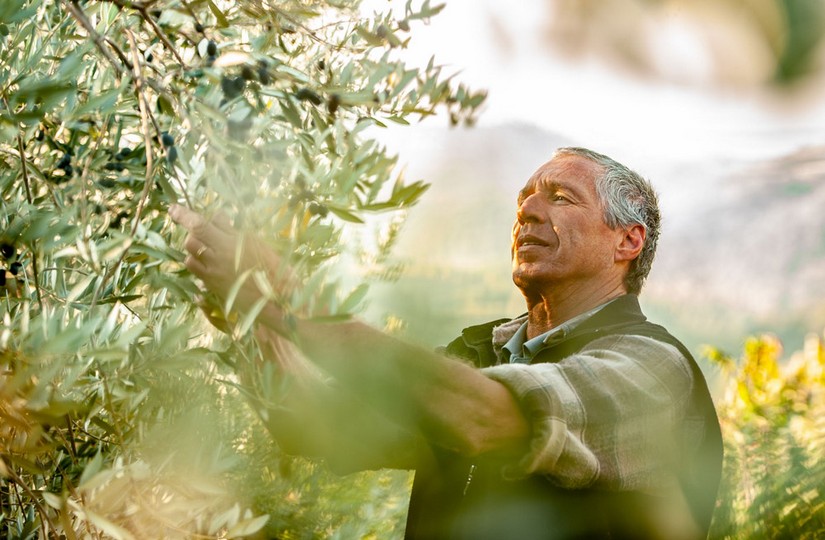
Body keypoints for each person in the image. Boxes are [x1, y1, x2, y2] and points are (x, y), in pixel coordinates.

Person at [170, 147, 723, 540]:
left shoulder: (651, 367)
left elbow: (486, 416)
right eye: (526, 197)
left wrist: (293, 300)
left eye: (561, 197)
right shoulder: (482, 351)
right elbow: (319, 426)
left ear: (628, 240)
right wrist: (252, 312)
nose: (528, 210)